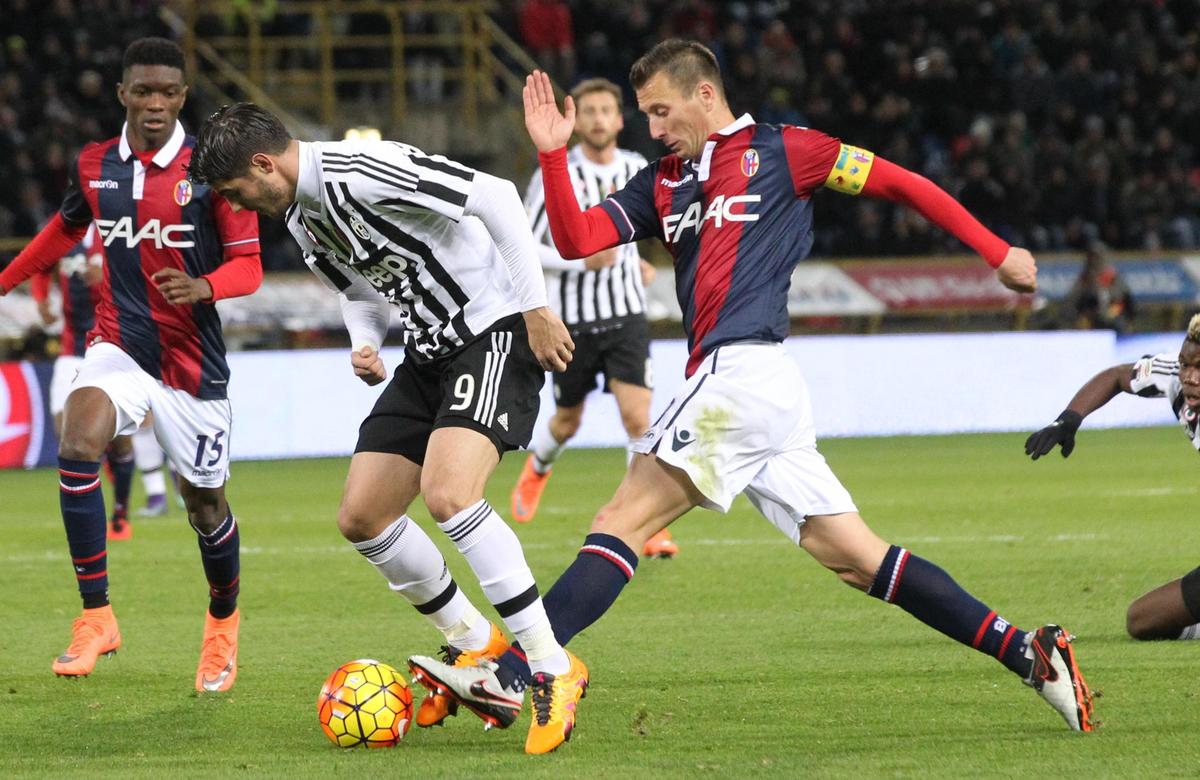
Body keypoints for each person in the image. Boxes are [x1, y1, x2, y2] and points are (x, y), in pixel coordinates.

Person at [410, 40, 1094, 750]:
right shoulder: (662, 182)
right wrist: (553, 155)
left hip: (741, 376)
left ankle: (515, 673)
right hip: (754, 390)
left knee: (622, 519)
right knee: (856, 557)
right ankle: (1028, 653)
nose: (654, 128)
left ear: (704, 94)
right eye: (646, 115)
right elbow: (579, 237)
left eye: (661, 111)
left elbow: (904, 184)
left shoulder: (790, 151)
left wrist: (997, 252)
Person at [186, 101, 583, 752]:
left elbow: (496, 196)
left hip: (493, 330)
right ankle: (475, 644)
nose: (236, 205)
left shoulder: (363, 168)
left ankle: (550, 666)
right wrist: (365, 341)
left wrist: (535, 308)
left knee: (450, 494)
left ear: (263, 164)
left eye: (234, 191)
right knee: (363, 516)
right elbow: (359, 292)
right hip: (427, 354)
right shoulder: (302, 218)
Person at [0, 38, 262, 691]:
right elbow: (64, 230)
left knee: (205, 507)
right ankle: (97, 617)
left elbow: (249, 265)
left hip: (192, 365)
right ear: (123, 94)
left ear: (182, 96)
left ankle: (223, 624)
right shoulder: (94, 165)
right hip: (117, 344)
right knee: (77, 438)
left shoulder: (211, 169)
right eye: (142, 91)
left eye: (167, 92)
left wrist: (205, 287)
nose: (154, 103)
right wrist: (6, 280)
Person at [511, 77, 677, 558]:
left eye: (607, 110)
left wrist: (638, 262)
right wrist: (580, 264)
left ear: (620, 120)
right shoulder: (554, 175)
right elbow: (524, 247)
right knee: (567, 422)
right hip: (574, 323)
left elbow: (644, 226)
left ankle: (644, 521)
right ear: (576, 121)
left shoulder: (637, 167)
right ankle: (538, 468)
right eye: (590, 111)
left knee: (638, 418)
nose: (599, 119)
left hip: (627, 315)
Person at [1025, 313, 1200, 640]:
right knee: (1142, 621)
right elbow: (1117, 376)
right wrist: (1069, 420)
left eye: (1199, 368)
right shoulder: (1173, 377)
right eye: (1185, 365)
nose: (1190, 377)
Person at [31, 225, 138, 540]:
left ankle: (120, 512)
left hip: (112, 348)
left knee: (119, 439)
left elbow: (142, 282)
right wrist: (41, 300)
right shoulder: (63, 229)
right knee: (65, 434)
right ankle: (94, 509)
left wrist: (106, 280)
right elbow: (40, 265)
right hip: (72, 348)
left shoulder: (122, 226)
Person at [1061, 241, 1134, 332]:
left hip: (1113, 312)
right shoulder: (1085, 278)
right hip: (1091, 316)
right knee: (1082, 324)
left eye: (1097, 257)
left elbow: (1124, 298)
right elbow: (1072, 298)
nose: (1094, 260)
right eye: (1092, 256)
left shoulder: (1112, 276)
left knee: (1119, 323)